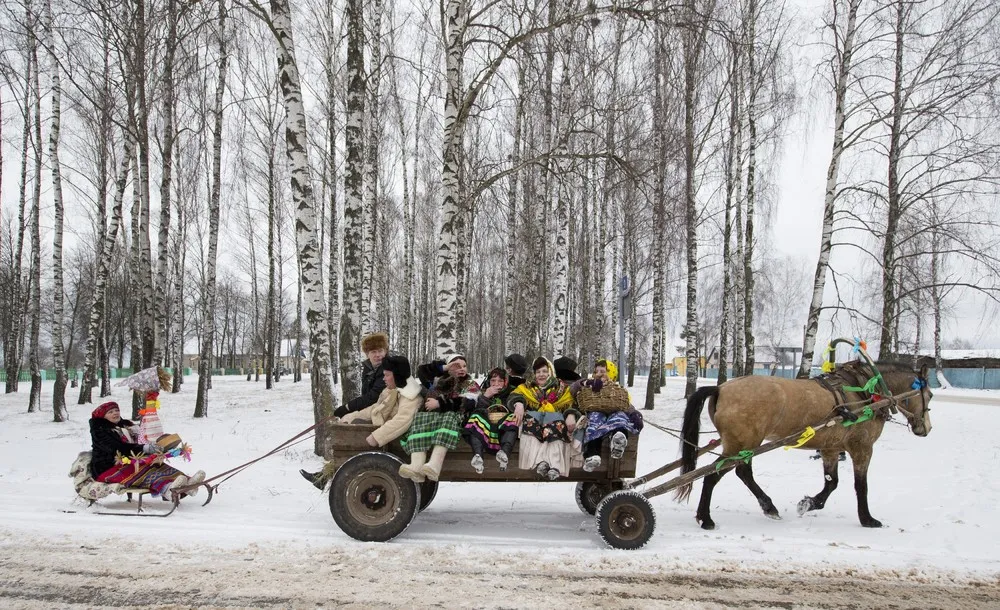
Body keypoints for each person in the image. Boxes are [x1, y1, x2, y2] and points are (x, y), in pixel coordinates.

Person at [300, 331, 389, 488]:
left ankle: (327, 475)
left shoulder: (387, 369)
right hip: (374, 409)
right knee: (347, 422)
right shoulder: (369, 369)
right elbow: (367, 397)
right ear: (367, 354)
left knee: (348, 427)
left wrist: (347, 408)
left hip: (383, 411)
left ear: (385, 351)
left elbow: (372, 397)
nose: (378, 355)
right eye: (373, 352)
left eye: (380, 351)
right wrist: (348, 409)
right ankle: (325, 475)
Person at [88, 401, 205, 499]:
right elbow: (118, 448)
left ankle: (188, 484)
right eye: (110, 412)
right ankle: (167, 489)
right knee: (145, 471)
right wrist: (145, 448)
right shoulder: (100, 430)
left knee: (157, 465)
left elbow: (141, 439)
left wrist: (156, 444)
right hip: (109, 467)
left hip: (129, 460)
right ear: (103, 417)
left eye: (116, 410)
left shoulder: (126, 427)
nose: (115, 413)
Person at [399, 354, 480, 483]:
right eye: (457, 366)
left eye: (464, 366)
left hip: (455, 417)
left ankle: (435, 465)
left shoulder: (469, 383)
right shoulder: (438, 381)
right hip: (431, 418)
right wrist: (444, 367)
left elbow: (468, 402)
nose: (462, 369)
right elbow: (422, 371)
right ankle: (416, 466)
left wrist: (440, 403)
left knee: (448, 418)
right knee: (420, 419)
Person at [508, 357, 581, 480]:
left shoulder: (561, 388)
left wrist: (571, 414)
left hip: (555, 425)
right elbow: (514, 395)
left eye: (544, 371)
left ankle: (555, 466)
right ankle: (540, 462)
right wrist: (519, 403)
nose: (541, 374)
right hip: (535, 425)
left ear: (550, 372)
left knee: (555, 424)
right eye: (538, 372)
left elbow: (572, 403)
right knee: (531, 421)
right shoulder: (527, 387)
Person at [571, 358, 643, 472]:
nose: (598, 374)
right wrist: (587, 383)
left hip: (613, 414)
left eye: (602, 371)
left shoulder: (617, 390)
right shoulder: (590, 386)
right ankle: (593, 454)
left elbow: (625, 403)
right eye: (596, 371)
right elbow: (574, 388)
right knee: (594, 420)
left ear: (611, 373)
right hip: (596, 413)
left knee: (620, 416)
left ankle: (618, 442)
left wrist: (633, 413)